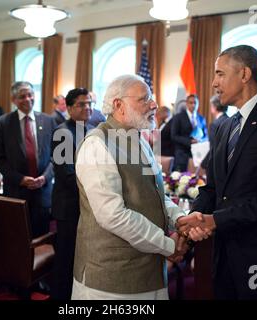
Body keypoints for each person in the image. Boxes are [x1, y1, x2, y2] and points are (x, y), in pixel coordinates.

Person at [177, 45, 257, 300]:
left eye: (220, 74)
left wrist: (216, 220)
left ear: (245, 74)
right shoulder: (225, 126)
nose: (214, 83)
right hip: (224, 255)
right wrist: (194, 217)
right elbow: (212, 187)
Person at [72, 74, 189, 300]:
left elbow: (157, 194)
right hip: (111, 281)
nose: (154, 104)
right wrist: (168, 245)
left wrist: (180, 219)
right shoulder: (97, 144)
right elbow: (113, 215)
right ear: (119, 105)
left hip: (150, 272)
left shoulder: (140, 140)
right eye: (144, 99)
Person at [0, 81, 56, 237]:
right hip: (16, 192)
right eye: (22, 96)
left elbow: (57, 156)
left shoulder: (48, 121)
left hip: (42, 192)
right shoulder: (2, 123)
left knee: (42, 238)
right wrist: (20, 179)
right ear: (13, 100)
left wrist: (45, 177)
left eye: (30, 95)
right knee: (17, 238)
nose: (28, 99)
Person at [51, 87, 93, 300]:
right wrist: (96, 189)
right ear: (68, 108)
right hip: (69, 206)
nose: (87, 108)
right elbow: (66, 175)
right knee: (66, 260)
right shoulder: (63, 133)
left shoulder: (92, 129)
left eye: (89, 103)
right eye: (81, 104)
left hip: (87, 206)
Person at [171, 94, 208, 172]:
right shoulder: (178, 117)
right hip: (182, 153)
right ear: (187, 104)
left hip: (198, 153)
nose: (193, 105)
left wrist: (201, 140)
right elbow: (174, 136)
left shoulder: (201, 118)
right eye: (191, 103)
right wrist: (190, 141)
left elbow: (206, 136)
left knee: (196, 179)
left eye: (195, 103)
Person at [200, 95, 229, 170]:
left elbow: (213, 147)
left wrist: (204, 163)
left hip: (217, 164)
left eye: (211, 105)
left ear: (215, 107)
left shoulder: (215, 124)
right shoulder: (230, 120)